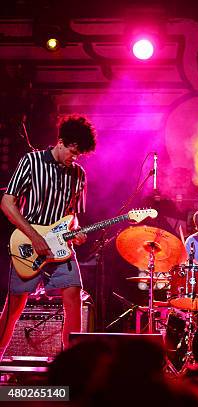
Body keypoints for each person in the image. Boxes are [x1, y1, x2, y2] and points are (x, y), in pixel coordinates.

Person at [0, 114, 96, 359]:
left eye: (80, 155)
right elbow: (7, 203)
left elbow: (71, 214)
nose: (75, 158)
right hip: (28, 243)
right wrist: (34, 236)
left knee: (74, 294)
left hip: (61, 246)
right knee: (14, 308)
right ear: (61, 142)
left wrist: (77, 231)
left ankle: (72, 363)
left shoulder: (79, 174)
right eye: (73, 152)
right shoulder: (31, 162)